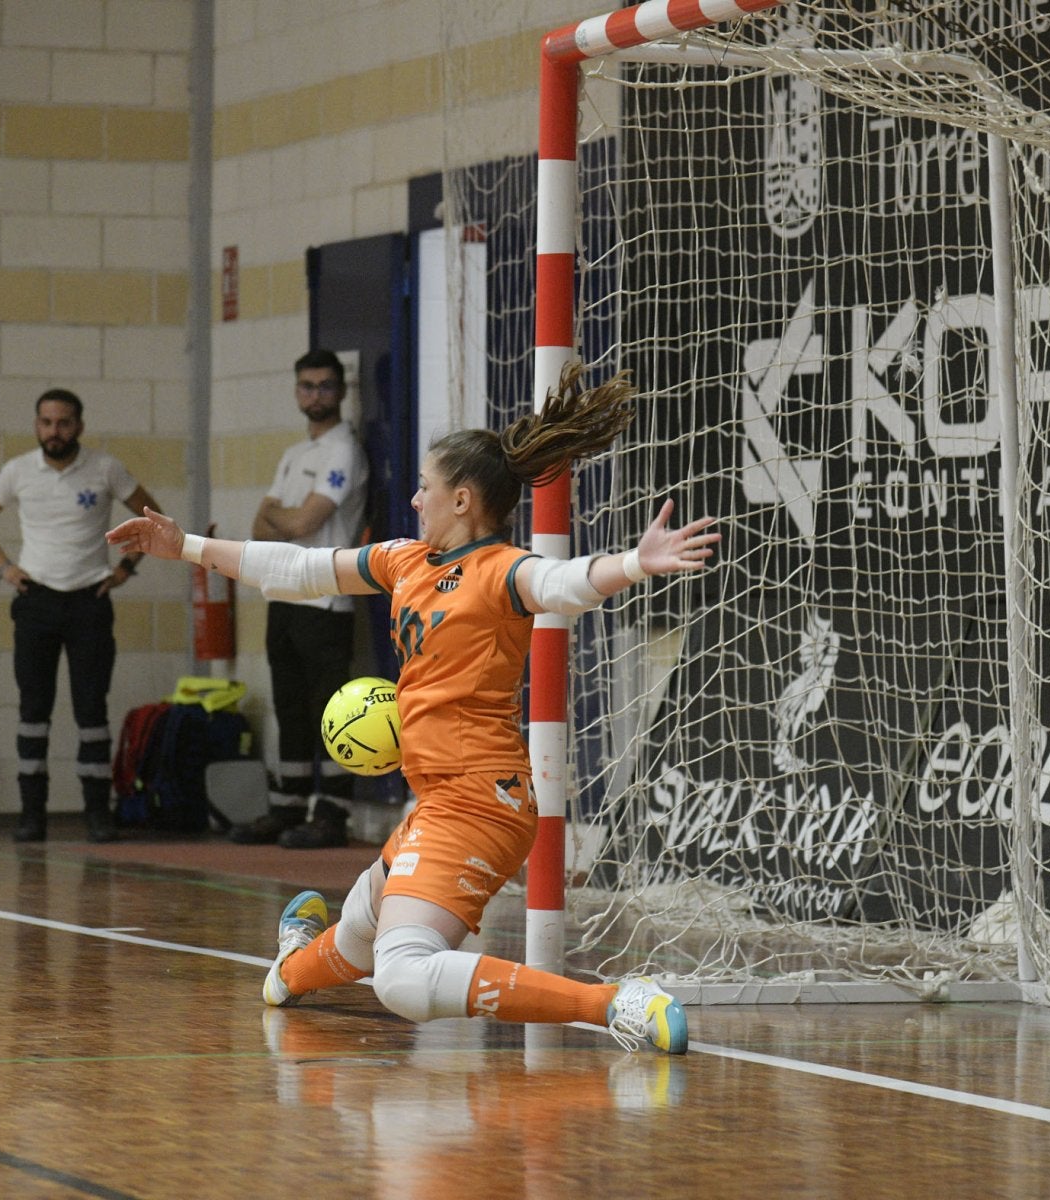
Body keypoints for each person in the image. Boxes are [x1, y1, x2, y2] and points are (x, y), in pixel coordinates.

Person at [108, 362, 719, 1053]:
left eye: (425, 490)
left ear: (462, 501)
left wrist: (635, 564)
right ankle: (292, 959)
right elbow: (298, 570)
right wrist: (181, 546)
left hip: (481, 800)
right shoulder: (406, 561)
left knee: (401, 977)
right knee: (352, 938)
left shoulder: (502, 571)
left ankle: (614, 1003)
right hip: (436, 799)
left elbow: (566, 583)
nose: (415, 502)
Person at [0, 387, 160, 844]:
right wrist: (4, 568)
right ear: (37, 425)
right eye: (47, 422)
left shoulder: (105, 468)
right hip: (35, 600)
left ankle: (97, 812)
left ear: (80, 426)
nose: (55, 431)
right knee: (33, 710)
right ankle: (32, 814)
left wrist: (125, 570)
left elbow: (153, 519)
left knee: (91, 709)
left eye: (64, 422)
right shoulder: (18, 471)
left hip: (89, 600)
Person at [229, 348, 369, 850]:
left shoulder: (343, 451)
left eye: (325, 386)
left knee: (329, 707)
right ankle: (287, 803)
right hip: (283, 592)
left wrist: (279, 518)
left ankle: (333, 809)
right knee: (288, 704)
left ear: (340, 391)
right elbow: (258, 525)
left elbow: (302, 523)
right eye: (307, 386)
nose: (315, 395)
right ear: (296, 392)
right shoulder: (294, 455)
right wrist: (280, 519)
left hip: (326, 595)